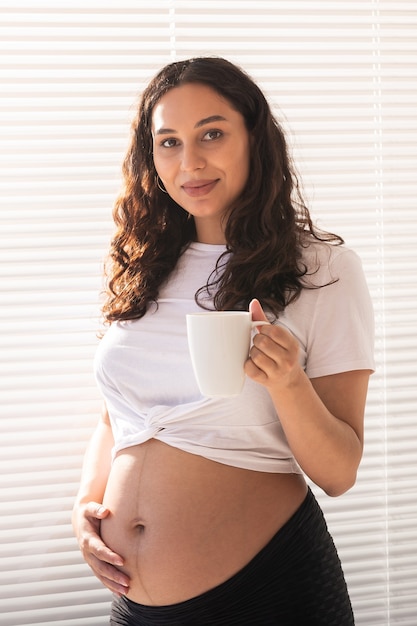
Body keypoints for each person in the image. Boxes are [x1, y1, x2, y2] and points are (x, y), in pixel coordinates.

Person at [72, 56, 375, 625]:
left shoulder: (323, 269)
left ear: (254, 139)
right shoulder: (144, 267)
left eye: (212, 133)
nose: (190, 162)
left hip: (270, 592)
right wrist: (85, 509)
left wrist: (287, 383)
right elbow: (117, 418)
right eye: (169, 142)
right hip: (137, 605)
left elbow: (339, 472)